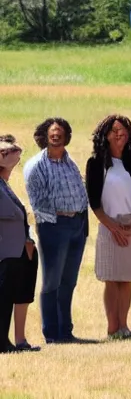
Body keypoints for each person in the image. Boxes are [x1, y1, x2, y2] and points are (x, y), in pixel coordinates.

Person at [24, 118, 89, 344]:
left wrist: (81, 223)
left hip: (77, 227)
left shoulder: (70, 162)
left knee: (69, 281)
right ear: (44, 136)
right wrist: (56, 224)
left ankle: (66, 331)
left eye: (60, 133)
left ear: (66, 137)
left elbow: (82, 192)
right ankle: (52, 334)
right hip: (54, 226)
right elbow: (38, 202)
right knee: (52, 282)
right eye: (52, 133)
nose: (56, 136)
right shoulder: (36, 166)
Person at [85, 115, 131, 339]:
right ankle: (113, 327)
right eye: (114, 130)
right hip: (109, 225)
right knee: (112, 277)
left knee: (126, 277)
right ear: (105, 134)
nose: (119, 133)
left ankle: (124, 326)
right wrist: (114, 227)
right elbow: (94, 202)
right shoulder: (96, 163)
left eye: (123, 130)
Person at [0, 135, 40, 353]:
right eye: (3, 154)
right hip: (5, 252)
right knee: (3, 299)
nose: (11, 157)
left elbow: (16, 151)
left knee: (10, 296)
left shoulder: (4, 185)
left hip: (17, 251)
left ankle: (9, 341)